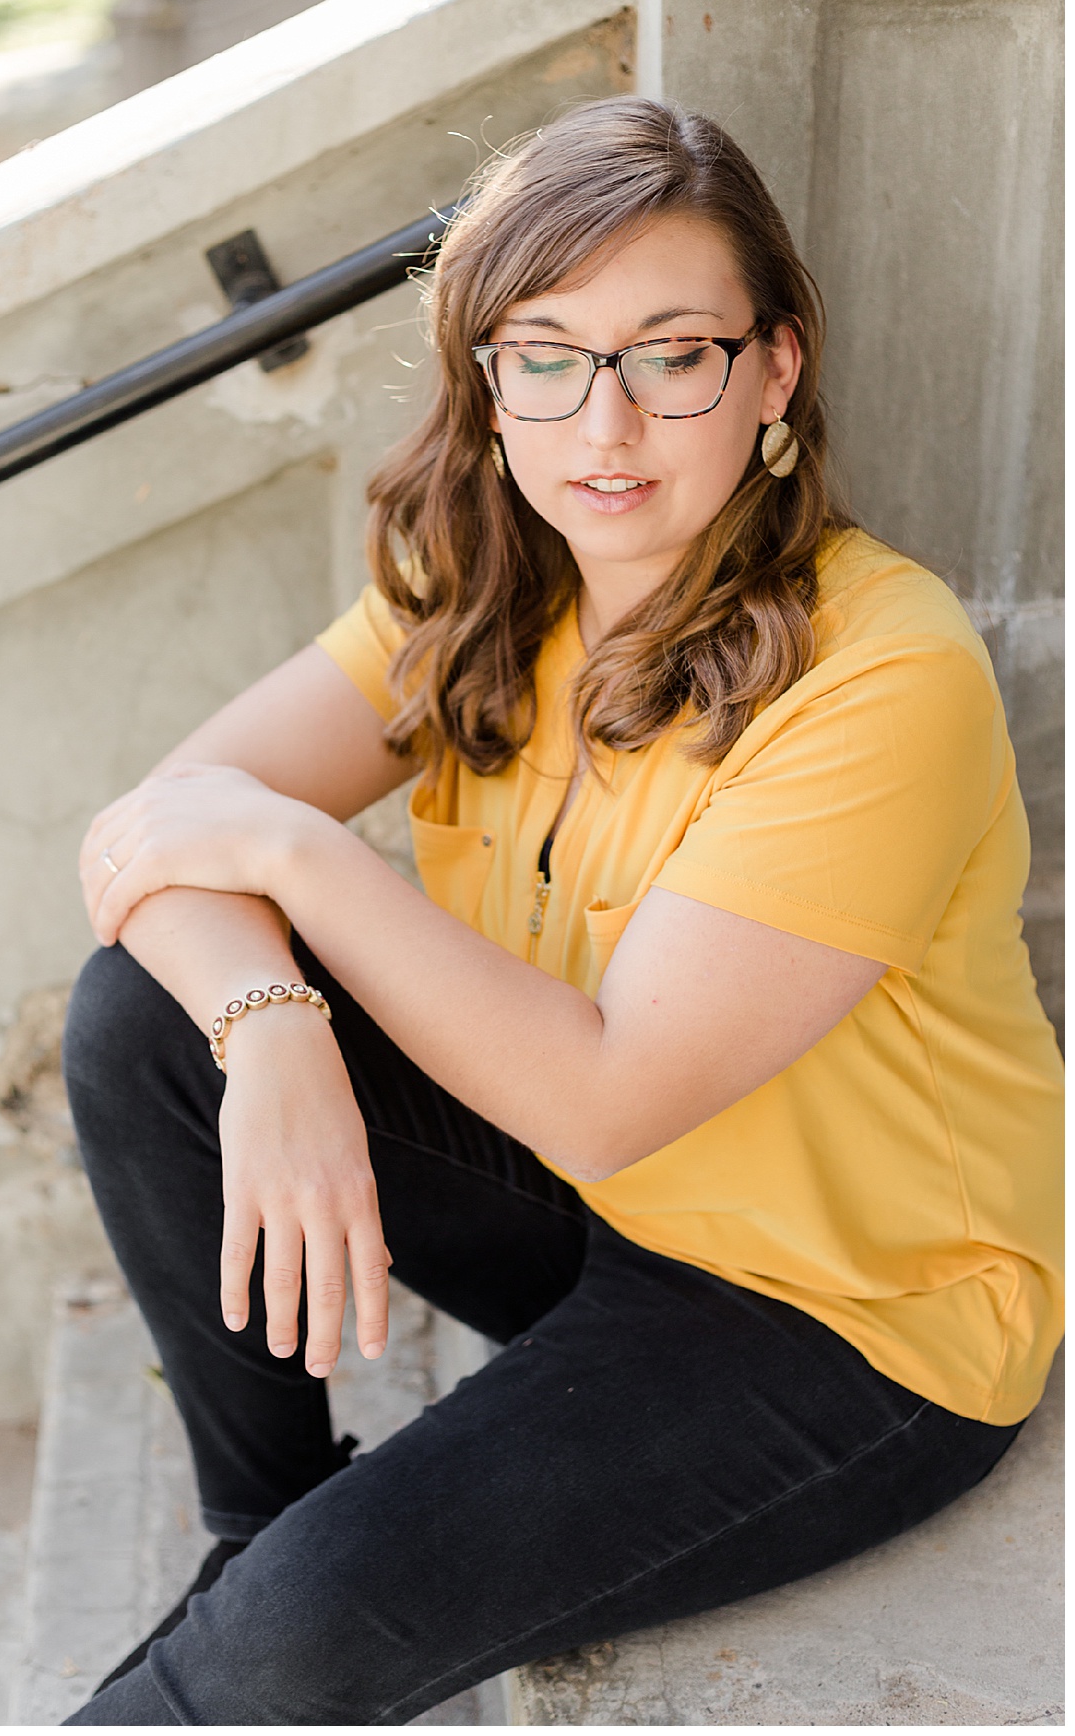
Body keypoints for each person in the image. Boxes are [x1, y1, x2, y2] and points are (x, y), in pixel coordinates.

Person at [62, 98, 1062, 1726]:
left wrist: (307, 861)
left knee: (314, 1633)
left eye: (674, 356)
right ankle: (255, 1530)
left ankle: (267, 1616)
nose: (607, 428)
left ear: (775, 375)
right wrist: (273, 1040)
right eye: (547, 356)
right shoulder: (476, 585)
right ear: (488, 379)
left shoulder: (886, 675)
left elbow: (607, 1101)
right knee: (150, 1017)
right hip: (600, 1205)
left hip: (847, 1314)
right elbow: (150, 838)